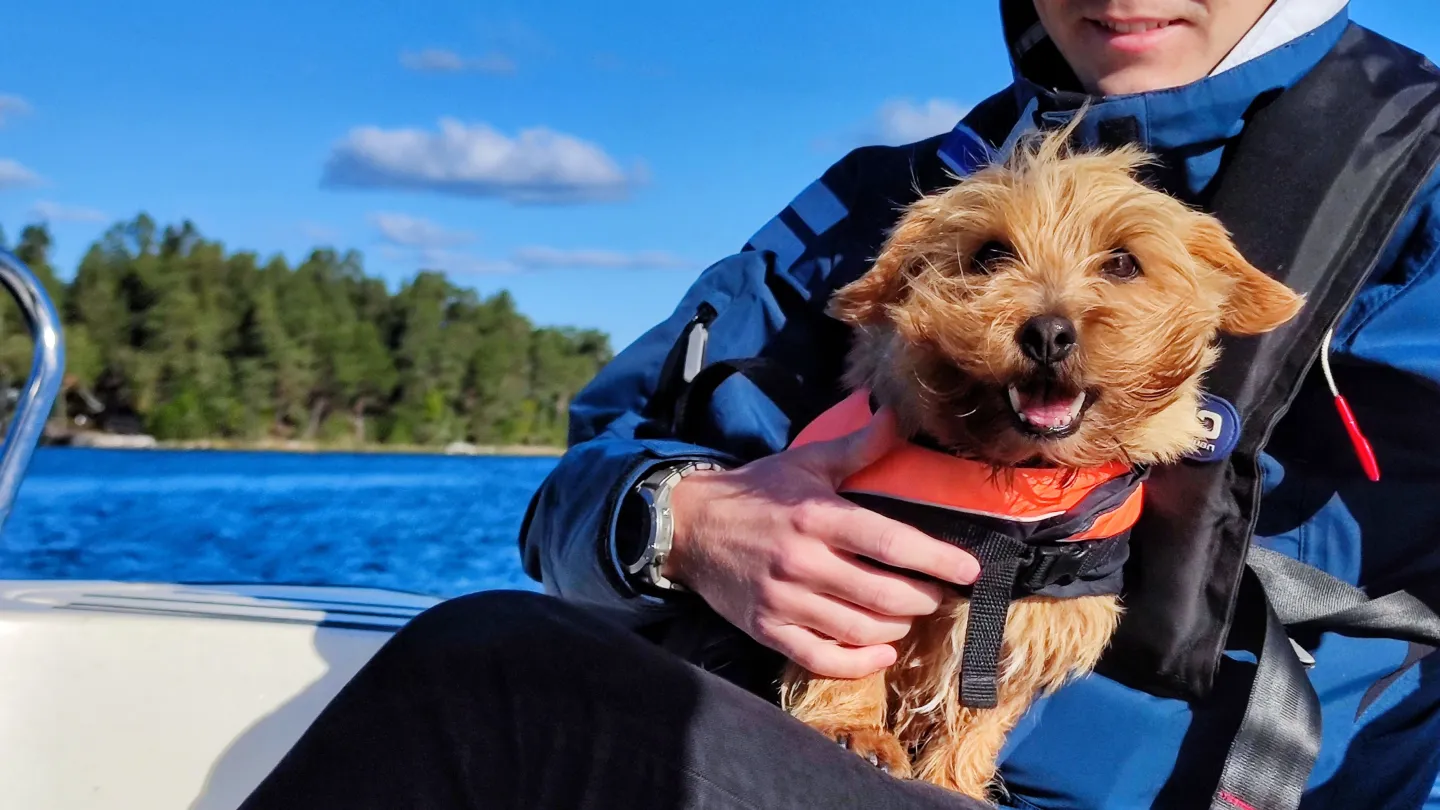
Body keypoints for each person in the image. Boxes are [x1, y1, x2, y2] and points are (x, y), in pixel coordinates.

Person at [240, 2, 1440, 808]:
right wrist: (687, 524)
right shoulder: (886, 198)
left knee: (484, 679)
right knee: (495, 654)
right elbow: (575, 493)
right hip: (821, 754)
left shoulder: (1424, 184)